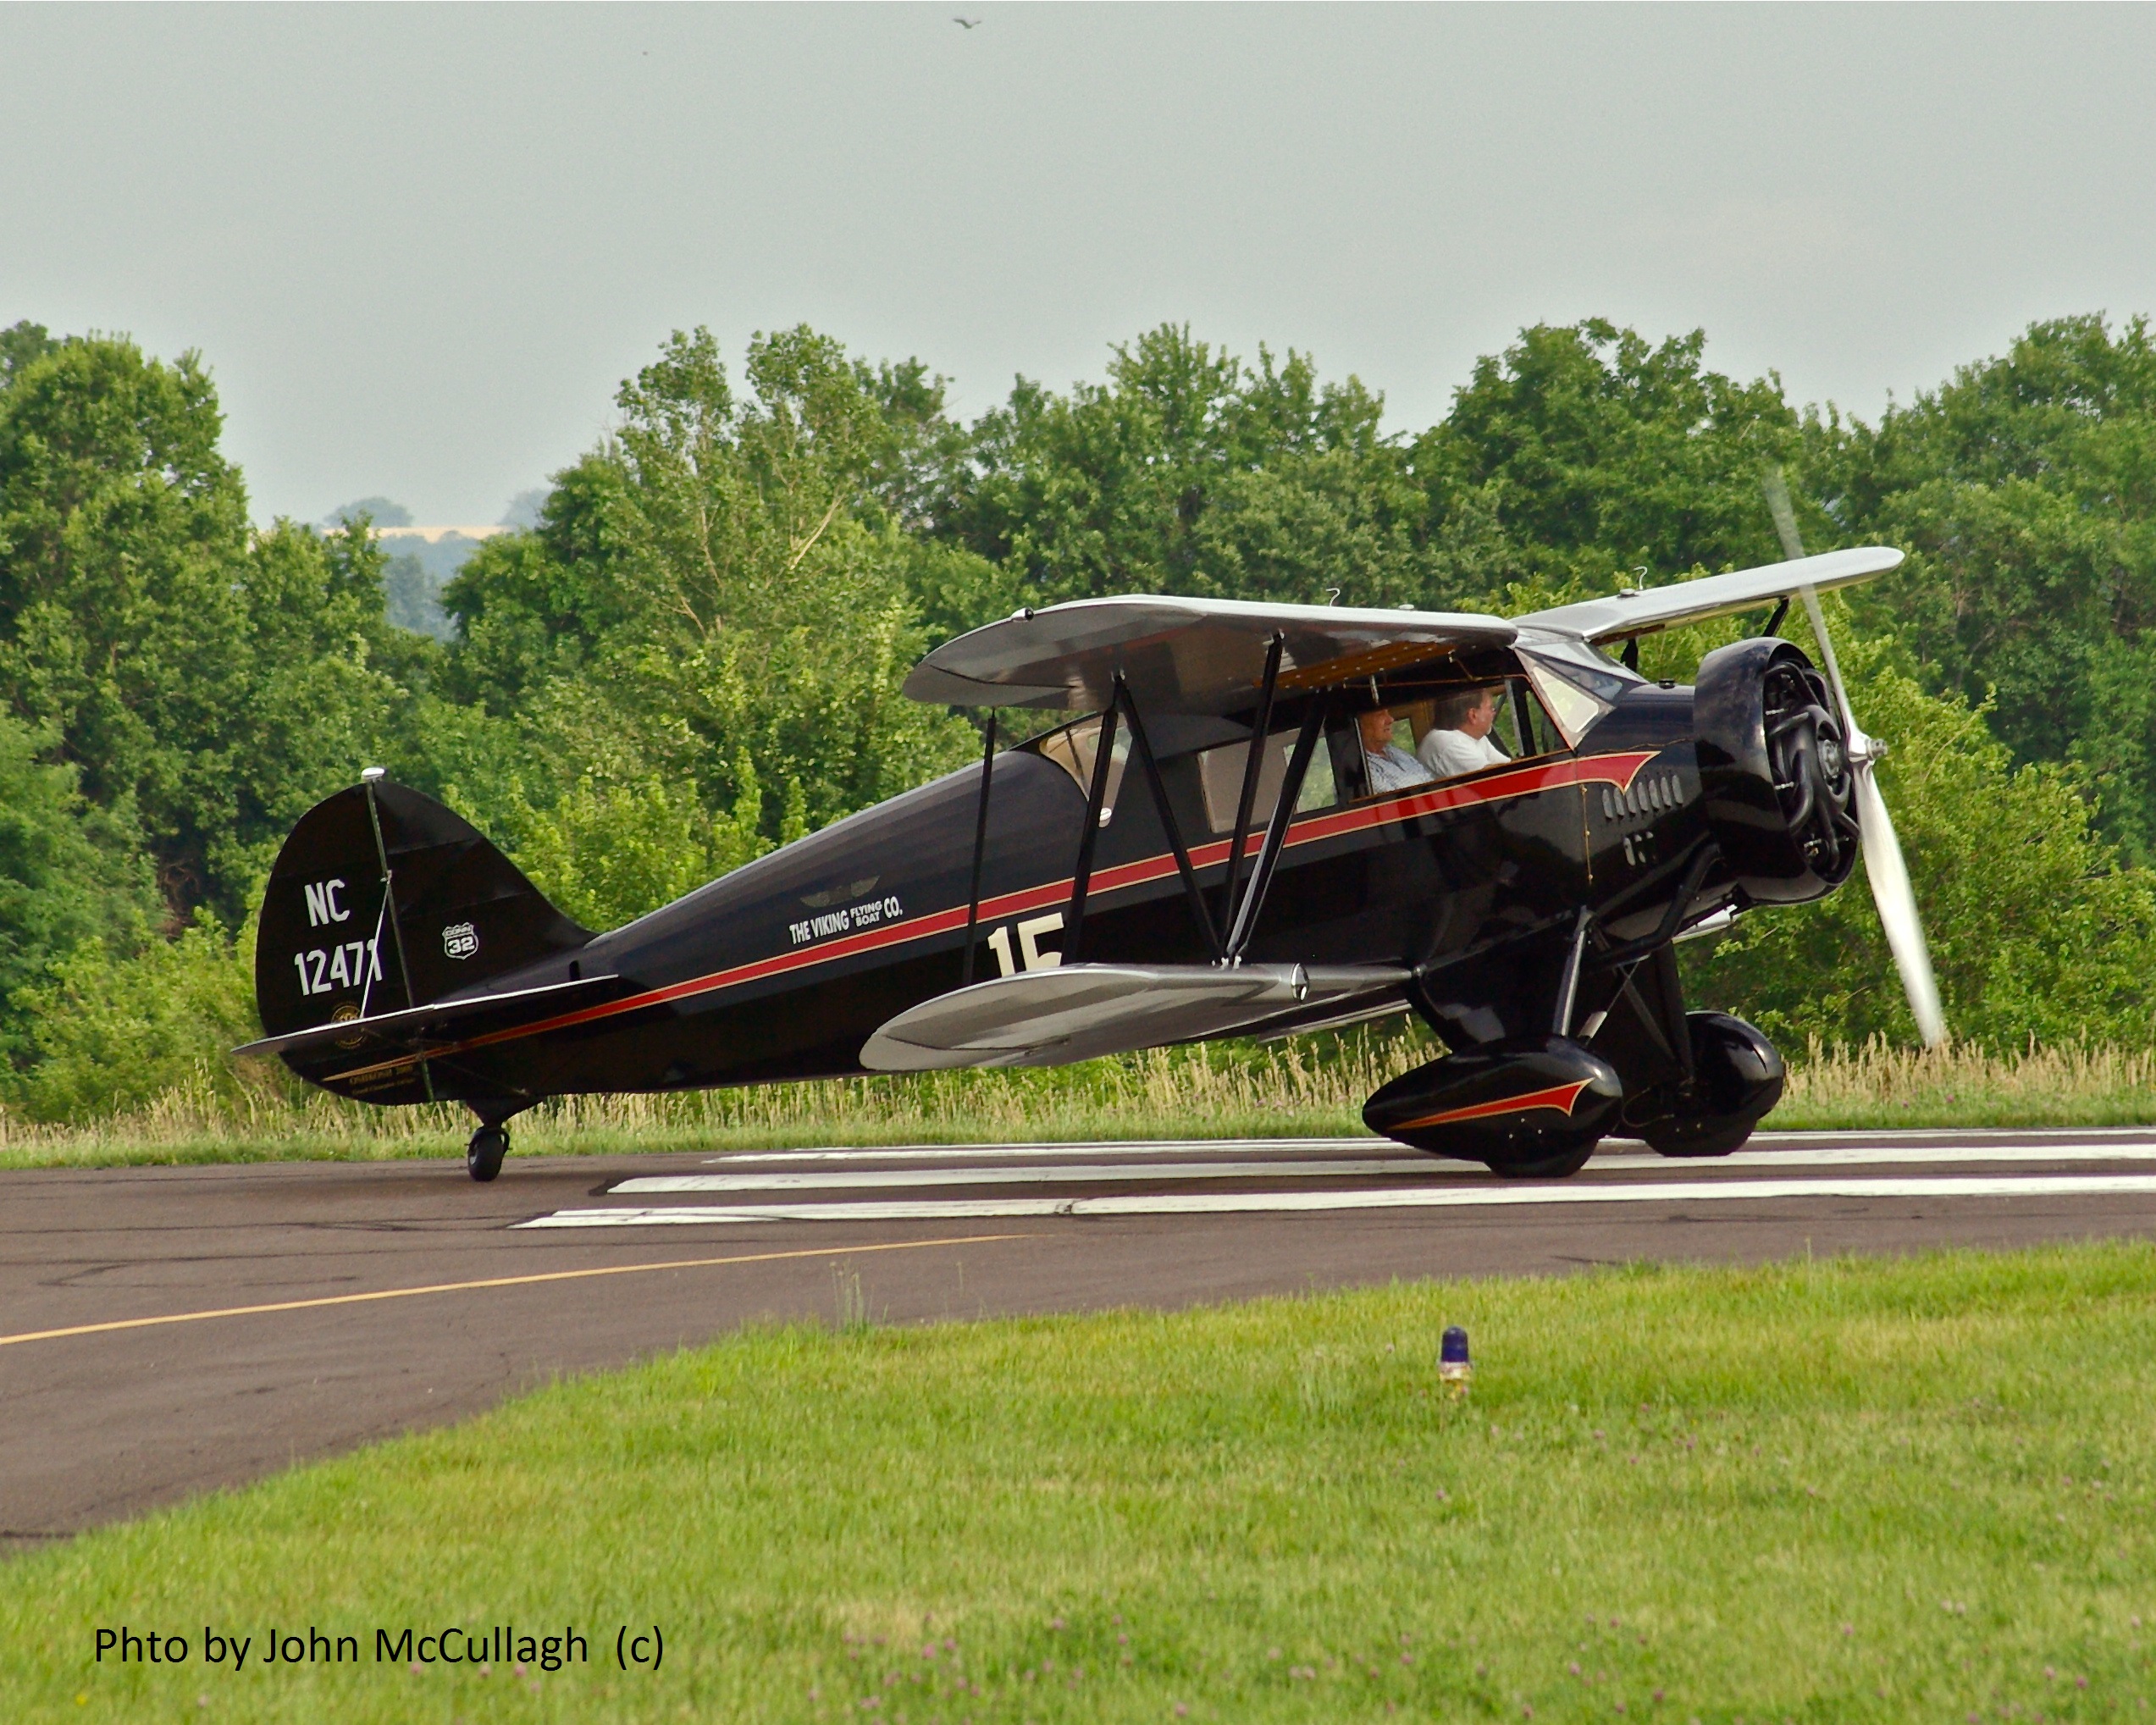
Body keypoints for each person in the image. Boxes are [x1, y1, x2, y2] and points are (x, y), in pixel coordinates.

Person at [1418, 683, 1510, 780]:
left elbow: (1508, 767)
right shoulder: (1448, 742)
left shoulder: (1476, 738)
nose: (1493, 713)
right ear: (1473, 715)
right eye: (1490, 708)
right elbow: (1493, 778)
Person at [1357, 705, 1433, 793]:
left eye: (1388, 713)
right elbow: (1395, 800)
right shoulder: (1363, 767)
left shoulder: (1395, 752)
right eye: (1380, 714)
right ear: (1361, 725)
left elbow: (1430, 782)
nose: (1390, 720)